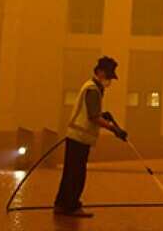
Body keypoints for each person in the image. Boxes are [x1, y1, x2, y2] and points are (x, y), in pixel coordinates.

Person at [54, 55, 128, 217]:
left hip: (75, 135)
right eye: (108, 76)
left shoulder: (91, 87)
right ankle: (72, 206)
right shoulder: (93, 89)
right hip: (80, 137)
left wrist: (104, 115)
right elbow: (93, 117)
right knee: (77, 174)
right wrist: (113, 129)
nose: (109, 80)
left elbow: (94, 113)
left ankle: (61, 204)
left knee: (69, 172)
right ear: (100, 72)